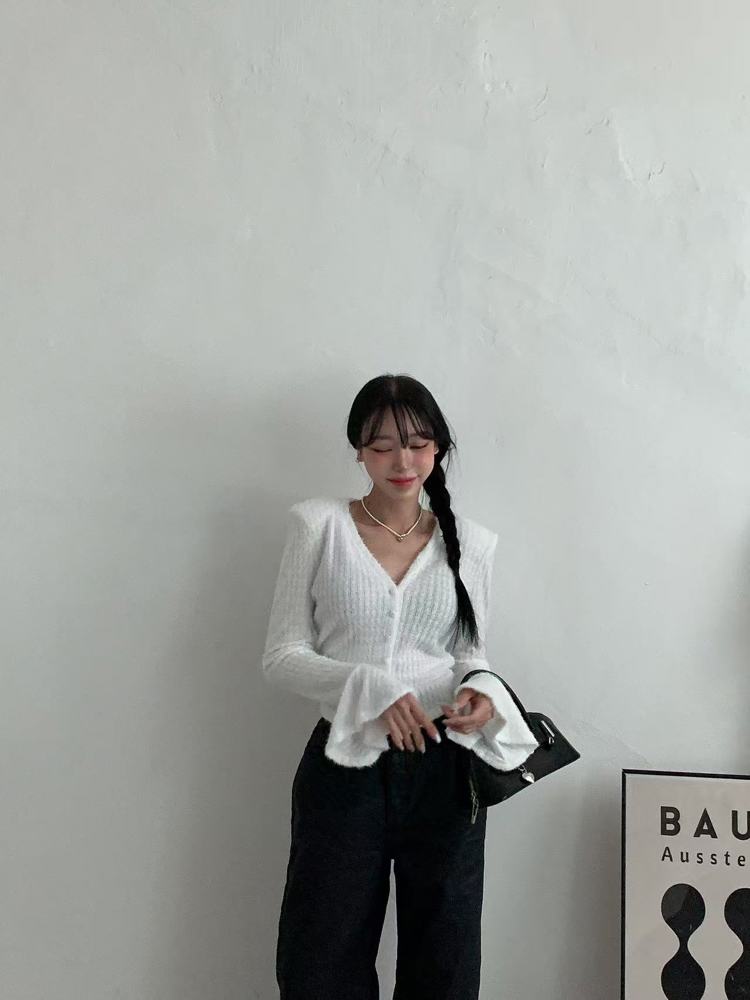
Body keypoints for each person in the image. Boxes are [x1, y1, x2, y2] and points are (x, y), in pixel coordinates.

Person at [261, 373, 538, 1000]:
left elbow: (469, 653)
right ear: (359, 451)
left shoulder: (472, 543)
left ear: (438, 448)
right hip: (345, 763)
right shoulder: (318, 526)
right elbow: (282, 657)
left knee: (445, 960)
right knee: (321, 956)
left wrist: (482, 692)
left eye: (417, 444)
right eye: (382, 445)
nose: (402, 461)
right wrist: (368, 685)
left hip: (446, 768)